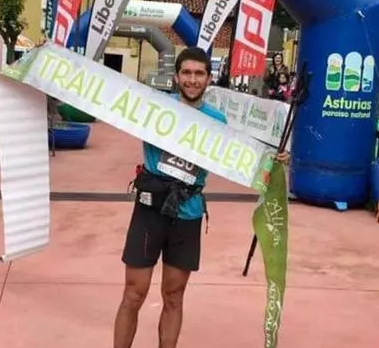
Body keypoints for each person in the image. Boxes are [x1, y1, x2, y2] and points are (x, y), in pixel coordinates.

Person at [113, 47, 289, 348]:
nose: (192, 80)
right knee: (133, 292)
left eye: (199, 74)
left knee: (173, 295)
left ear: (209, 78)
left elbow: (240, 155)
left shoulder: (216, 120)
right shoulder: (154, 106)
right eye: (186, 73)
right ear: (176, 76)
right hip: (150, 209)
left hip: (188, 212)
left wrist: (272, 159)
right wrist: (48, 61)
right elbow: (100, 94)